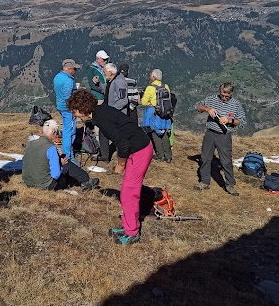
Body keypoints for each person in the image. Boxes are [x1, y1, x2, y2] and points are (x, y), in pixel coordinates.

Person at [67, 90, 153, 246]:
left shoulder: (102, 119)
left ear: (82, 109)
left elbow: (123, 144)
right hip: (139, 148)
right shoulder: (100, 111)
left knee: (129, 193)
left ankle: (132, 233)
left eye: (75, 111)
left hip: (140, 151)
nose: (75, 115)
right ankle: (128, 225)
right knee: (127, 191)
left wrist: (120, 165)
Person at [194, 83, 246, 196]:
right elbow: (197, 106)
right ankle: (204, 182)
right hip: (210, 133)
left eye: (226, 96)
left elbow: (242, 121)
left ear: (231, 94)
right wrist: (207, 109)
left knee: (226, 161)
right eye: (222, 95)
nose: (224, 98)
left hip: (224, 135)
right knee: (205, 158)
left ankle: (229, 184)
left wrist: (229, 120)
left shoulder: (236, 104)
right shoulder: (212, 99)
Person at [22, 120, 99, 191]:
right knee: (67, 163)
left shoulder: (30, 143)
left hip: (28, 182)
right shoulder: (51, 148)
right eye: (57, 133)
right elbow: (55, 175)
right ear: (53, 132)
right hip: (44, 185)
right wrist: (60, 164)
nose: (57, 136)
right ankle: (86, 180)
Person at [140, 69, 173, 163]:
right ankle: (168, 156)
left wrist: (150, 103)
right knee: (165, 133)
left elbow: (143, 102)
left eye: (151, 76)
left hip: (155, 113)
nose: (150, 77)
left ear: (154, 77)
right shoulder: (166, 86)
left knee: (155, 134)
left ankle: (160, 156)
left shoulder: (150, 88)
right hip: (165, 113)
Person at [53, 58, 81, 162]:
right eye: (74, 69)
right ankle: (68, 155)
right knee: (70, 131)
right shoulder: (69, 80)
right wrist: (76, 91)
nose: (75, 71)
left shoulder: (57, 77)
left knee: (66, 129)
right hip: (68, 109)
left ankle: (66, 152)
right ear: (69, 69)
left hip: (60, 106)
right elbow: (68, 97)